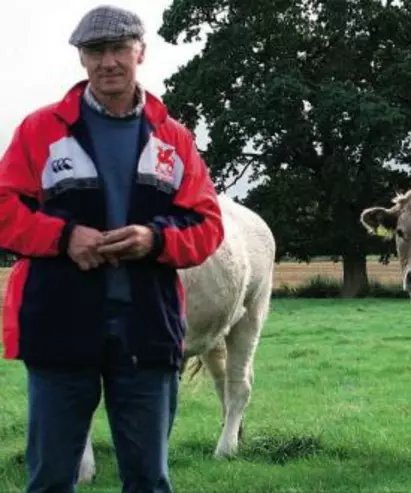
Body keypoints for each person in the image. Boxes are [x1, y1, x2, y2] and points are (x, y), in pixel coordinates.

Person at [0, 5, 224, 492]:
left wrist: (155, 239)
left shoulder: (174, 139)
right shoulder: (40, 131)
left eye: (119, 49)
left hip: (146, 330)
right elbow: (3, 210)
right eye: (95, 51)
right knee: (51, 480)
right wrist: (63, 238)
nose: (108, 62)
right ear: (82, 59)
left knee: (148, 480)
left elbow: (207, 226)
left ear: (139, 53)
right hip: (60, 329)